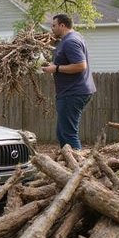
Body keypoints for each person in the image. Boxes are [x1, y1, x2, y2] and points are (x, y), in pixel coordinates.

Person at [42, 13, 96, 150]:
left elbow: (81, 65)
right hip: (71, 92)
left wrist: (57, 68)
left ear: (62, 25)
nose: (52, 29)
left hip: (73, 92)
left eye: (54, 26)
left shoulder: (70, 41)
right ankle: (68, 164)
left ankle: (79, 167)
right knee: (62, 133)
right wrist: (52, 66)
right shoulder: (71, 39)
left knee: (68, 134)